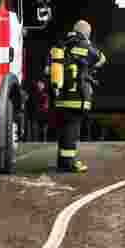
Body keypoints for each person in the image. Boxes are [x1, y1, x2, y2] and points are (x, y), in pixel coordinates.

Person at [50, 19, 106, 173]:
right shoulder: (84, 45)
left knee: (64, 130)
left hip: (60, 96)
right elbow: (101, 59)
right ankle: (69, 163)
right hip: (76, 97)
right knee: (72, 131)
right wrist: (89, 66)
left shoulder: (62, 44)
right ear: (86, 34)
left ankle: (62, 161)